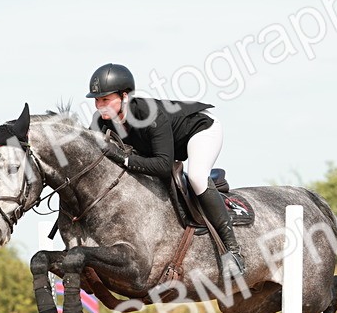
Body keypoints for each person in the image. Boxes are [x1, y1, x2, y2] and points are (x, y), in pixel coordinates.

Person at [85, 63, 244, 278]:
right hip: (166, 147)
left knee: (197, 177)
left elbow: (163, 165)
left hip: (200, 130)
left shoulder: (150, 116)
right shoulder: (101, 121)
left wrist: (123, 159)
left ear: (124, 96)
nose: (99, 106)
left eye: (105, 100)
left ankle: (232, 252)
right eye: (97, 100)